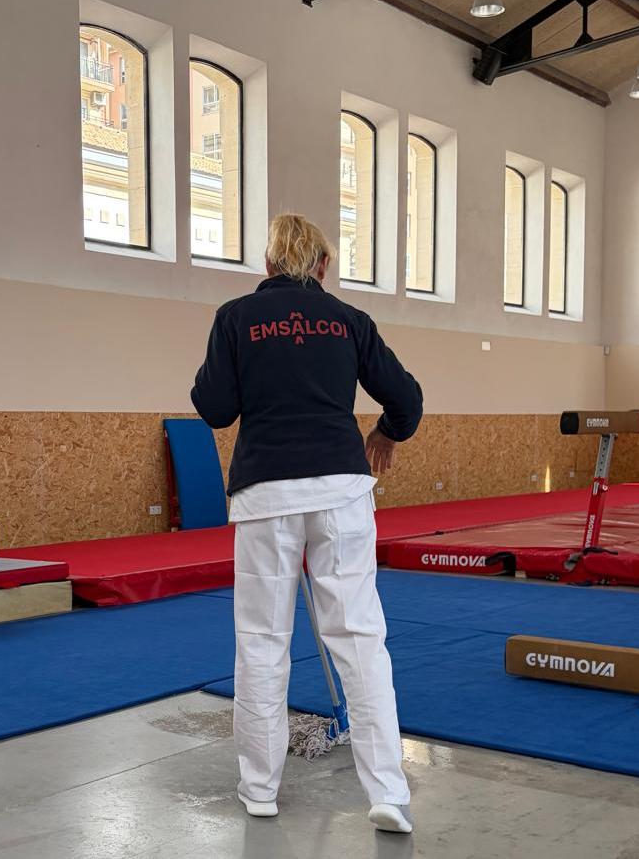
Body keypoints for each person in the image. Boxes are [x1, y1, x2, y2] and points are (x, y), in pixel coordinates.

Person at [191, 213, 423, 834]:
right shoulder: (350, 321)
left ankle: (260, 788)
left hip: (266, 490)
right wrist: (385, 434)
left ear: (266, 265)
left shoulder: (236, 317)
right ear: (323, 266)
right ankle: (387, 791)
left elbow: (213, 407)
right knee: (359, 636)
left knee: (263, 640)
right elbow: (407, 398)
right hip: (341, 487)